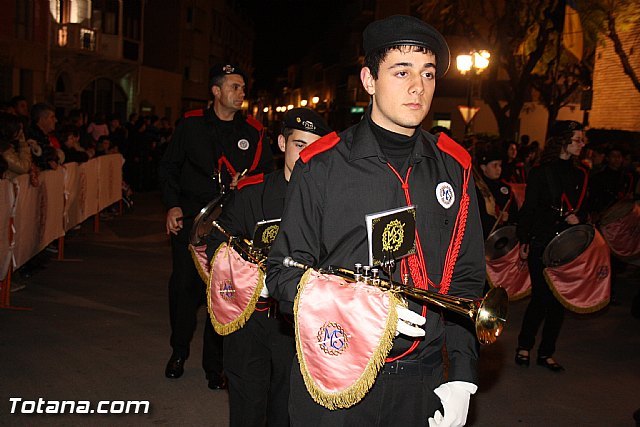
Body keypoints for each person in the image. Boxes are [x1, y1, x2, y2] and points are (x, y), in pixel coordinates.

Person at [266, 15, 485, 427]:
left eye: (428, 73)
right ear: (368, 80)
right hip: (335, 369)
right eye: (401, 71)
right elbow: (281, 273)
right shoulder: (322, 166)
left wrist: (461, 375)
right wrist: (359, 305)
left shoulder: (455, 168)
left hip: (421, 378)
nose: (417, 86)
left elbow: (466, 279)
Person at [204, 108, 331, 427]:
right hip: (251, 317)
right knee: (246, 407)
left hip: (299, 325)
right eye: (300, 145)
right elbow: (216, 244)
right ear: (281, 143)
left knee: (287, 411)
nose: (306, 156)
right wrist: (250, 274)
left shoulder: (331, 201)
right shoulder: (251, 192)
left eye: (315, 148)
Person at [158, 62, 273, 389]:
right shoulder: (191, 125)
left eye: (242, 87)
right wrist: (172, 205)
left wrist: (249, 184)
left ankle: (215, 366)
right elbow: (168, 168)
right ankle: (178, 352)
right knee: (183, 290)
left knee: (221, 294)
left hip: (231, 227)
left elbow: (266, 178)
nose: (241, 93)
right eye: (234, 87)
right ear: (216, 90)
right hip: (191, 222)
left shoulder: (252, 131)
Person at [515, 120, 588, 372]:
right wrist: (524, 239)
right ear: (562, 141)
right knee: (541, 298)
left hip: (568, 245)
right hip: (541, 242)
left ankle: (547, 352)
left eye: (582, 140)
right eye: (577, 139)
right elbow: (529, 208)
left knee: (560, 302)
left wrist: (582, 221)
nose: (582, 144)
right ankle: (524, 345)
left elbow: (586, 207)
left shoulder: (582, 174)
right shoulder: (541, 171)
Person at [475, 146, 517, 239]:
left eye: (500, 165)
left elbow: (514, 213)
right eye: (494, 165)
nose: (499, 169)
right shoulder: (476, 188)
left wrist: (507, 218)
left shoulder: (505, 188)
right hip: (482, 237)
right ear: (483, 167)